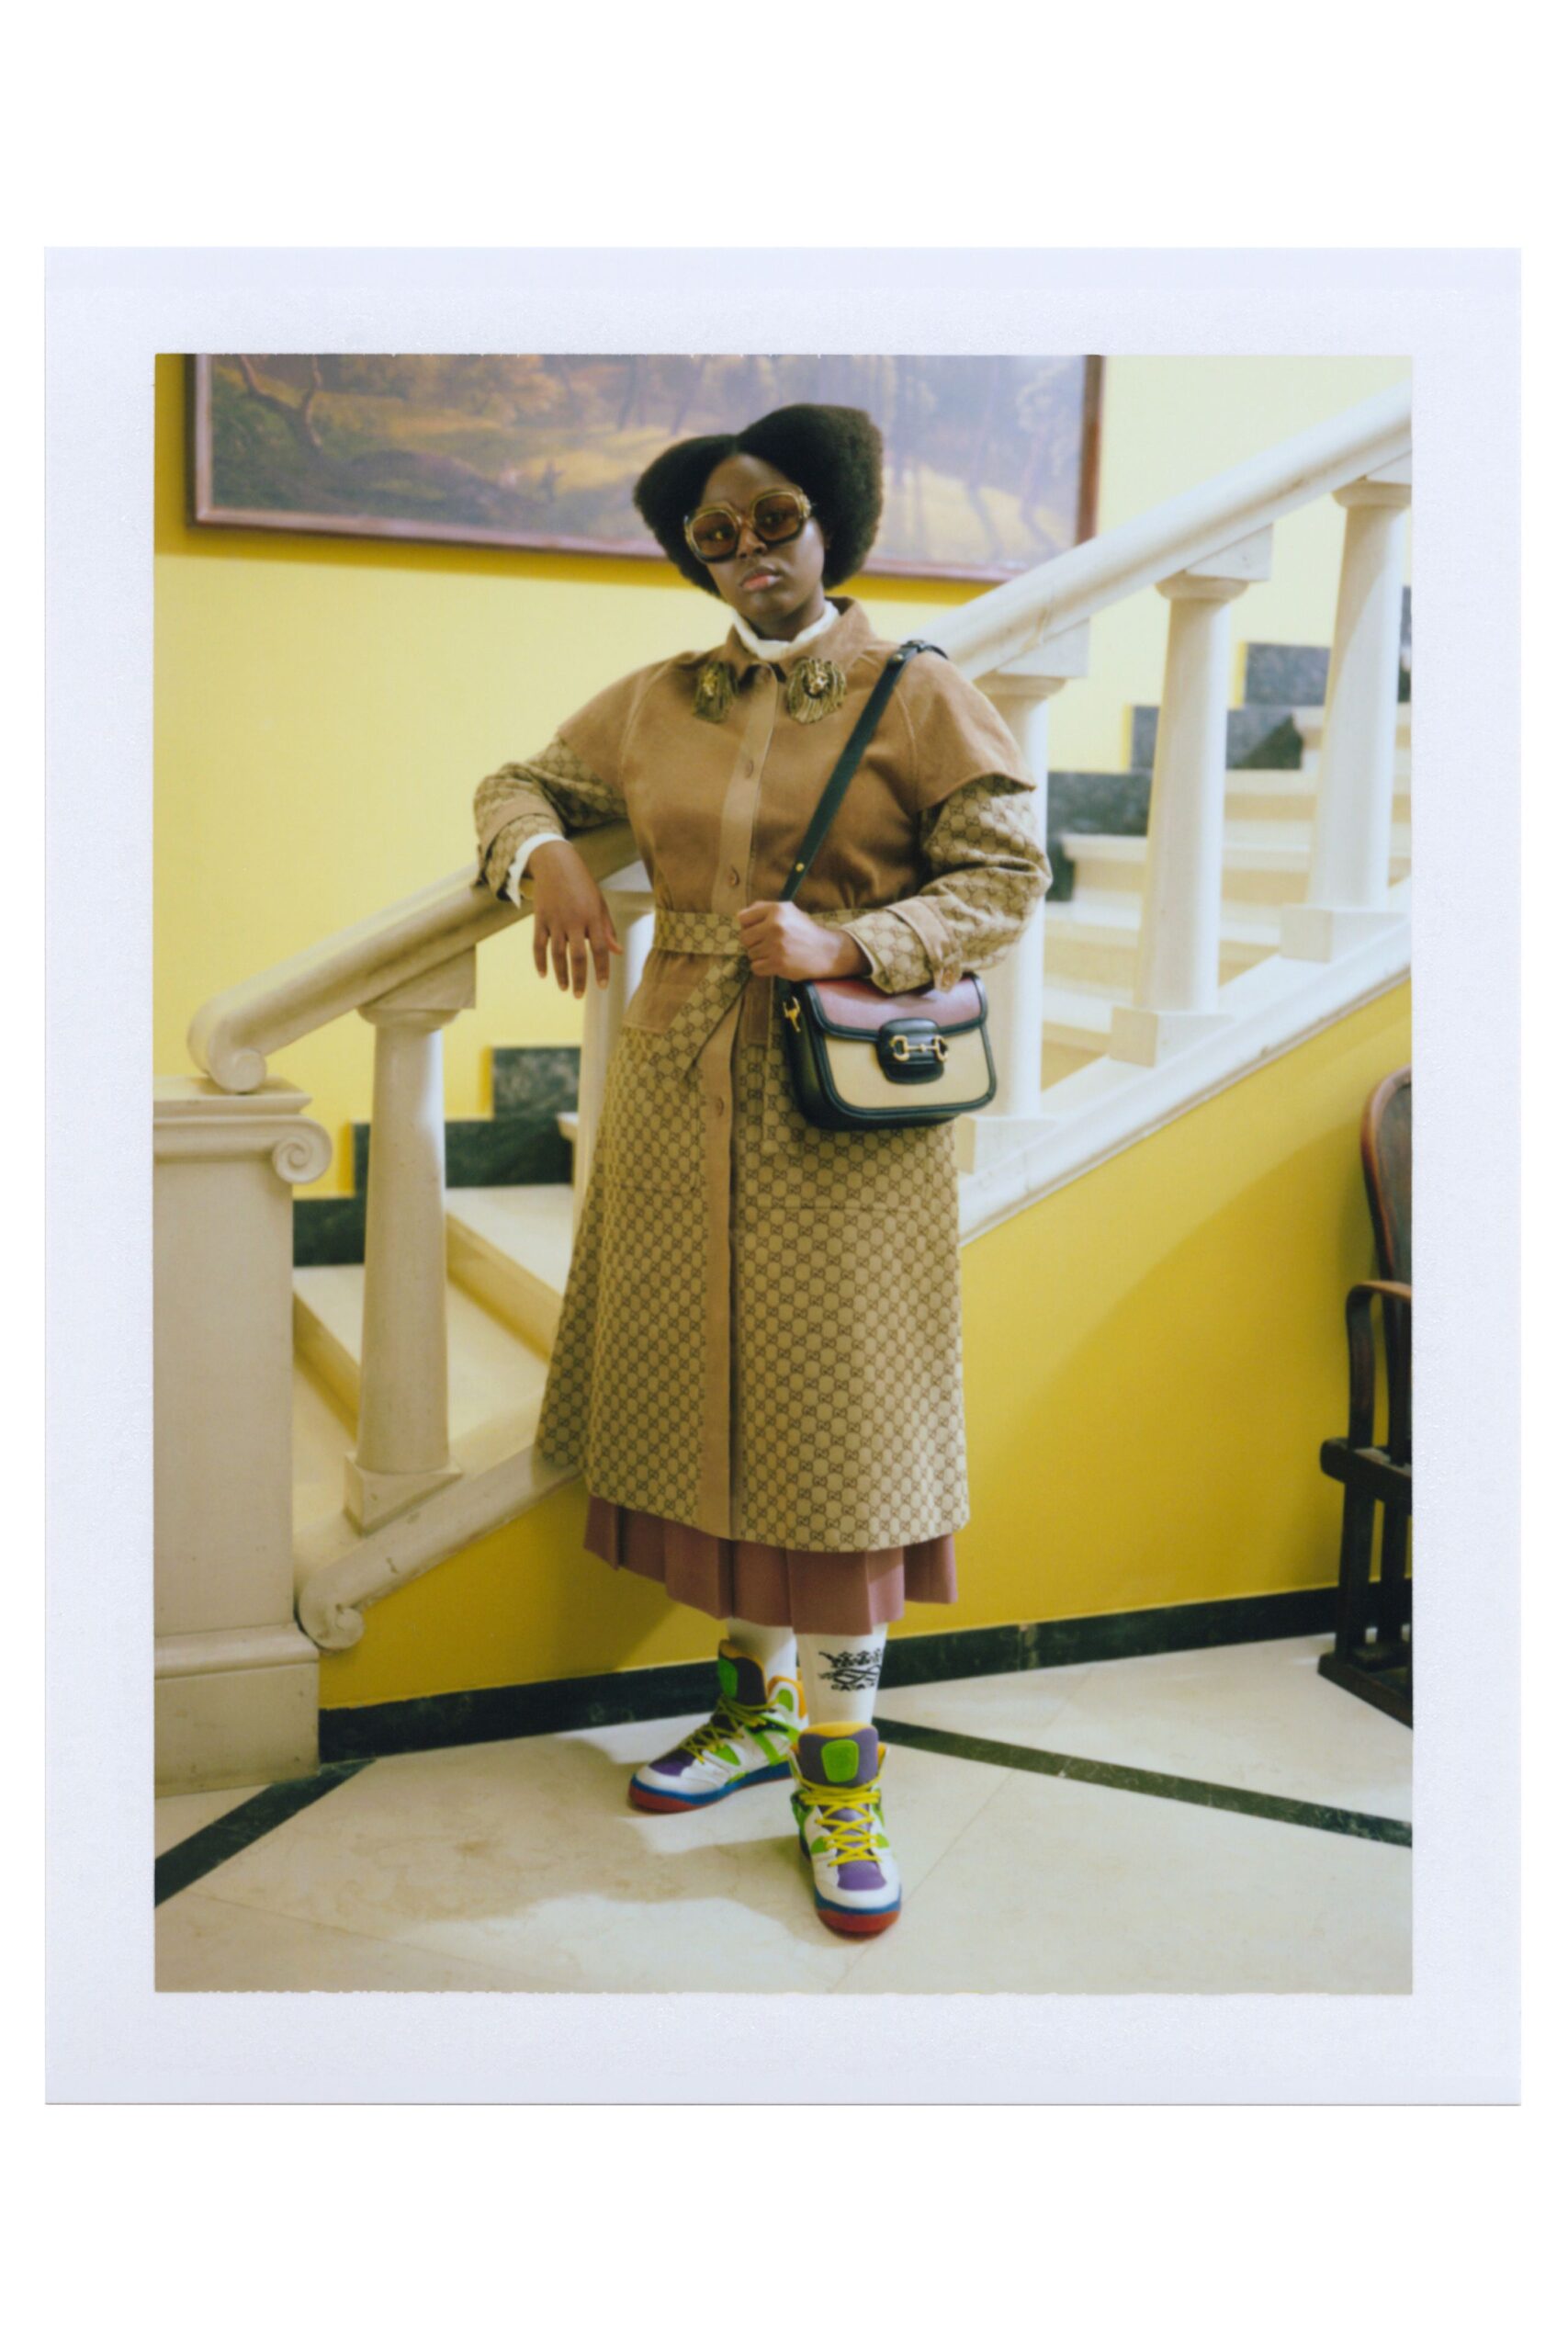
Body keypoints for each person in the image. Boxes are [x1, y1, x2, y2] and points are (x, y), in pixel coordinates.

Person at [474, 403, 1049, 1936]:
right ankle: (750, 1710)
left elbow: (1007, 875)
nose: (750, 553)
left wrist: (851, 942)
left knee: (838, 1434)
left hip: (844, 1116)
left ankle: (841, 1774)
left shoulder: (917, 692)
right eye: (716, 536)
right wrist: (543, 859)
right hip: (676, 1091)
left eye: (775, 519)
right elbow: (517, 782)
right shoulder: (660, 698)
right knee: (712, 1412)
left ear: (832, 520)